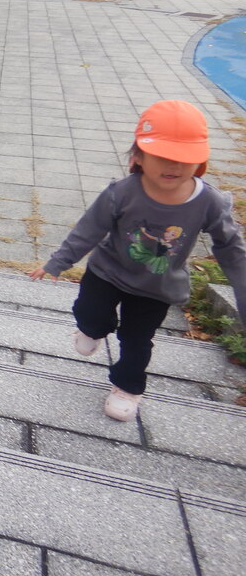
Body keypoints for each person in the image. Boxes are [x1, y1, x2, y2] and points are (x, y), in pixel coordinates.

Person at [29, 100, 246, 422]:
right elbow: (89, 229)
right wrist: (58, 261)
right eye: (163, 156)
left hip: (156, 288)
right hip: (107, 272)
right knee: (90, 315)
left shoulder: (210, 203)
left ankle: (127, 387)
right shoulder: (122, 192)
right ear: (139, 156)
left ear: (200, 160)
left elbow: (230, 249)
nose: (173, 166)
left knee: (136, 339)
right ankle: (92, 329)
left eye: (184, 158)